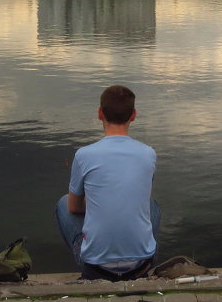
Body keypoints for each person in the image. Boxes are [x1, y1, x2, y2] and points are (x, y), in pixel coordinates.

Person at [55, 85, 160, 280]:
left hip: (97, 268)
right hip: (141, 264)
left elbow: (74, 207)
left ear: (99, 114)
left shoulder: (84, 155)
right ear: (134, 115)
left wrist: (99, 203)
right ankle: (141, 255)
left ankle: (87, 253)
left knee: (63, 203)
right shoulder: (148, 154)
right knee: (151, 205)